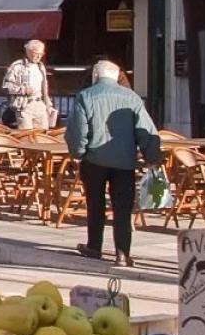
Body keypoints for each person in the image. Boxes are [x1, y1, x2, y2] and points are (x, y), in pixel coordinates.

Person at [64, 60, 161, 268]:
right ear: (117, 77)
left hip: (94, 159)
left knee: (95, 204)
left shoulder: (85, 96)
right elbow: (146, 130)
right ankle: (123, 254)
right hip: (125, 161)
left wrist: (78, 153)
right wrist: (151, 156)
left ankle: (94, 246)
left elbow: (78, 132)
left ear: (95, 76)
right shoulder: (132, 97)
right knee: (123, 208)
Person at [3, 40, 53, 130]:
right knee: (26, 134)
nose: (38, 56)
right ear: (28, 52)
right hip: (25, 106)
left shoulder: (41, 67)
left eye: (41, 54)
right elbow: (7, 85)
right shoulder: (17, 66)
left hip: (40, 104)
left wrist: (48, 105)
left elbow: (45, 88)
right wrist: (23, 90)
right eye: (36, 53)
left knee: (42, 134)